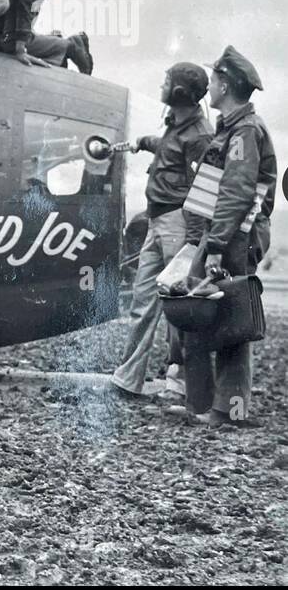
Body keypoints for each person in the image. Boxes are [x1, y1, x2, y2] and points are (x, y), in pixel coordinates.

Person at [177, 46, 276, 425]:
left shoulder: (245, 131)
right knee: (203, 314)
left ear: (227, 85)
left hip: (236, 236)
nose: (210, 87)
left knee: (233, 319)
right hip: (224, 234)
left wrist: (216, 245)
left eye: (215, 80)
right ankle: (201, 406)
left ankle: (228, 412)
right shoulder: (233, 128)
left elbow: (236, 192)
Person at [110, 63, 213, 397]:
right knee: (143, 301)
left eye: (167, 81)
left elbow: (202, 190)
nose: (162, 85)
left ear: (180, 92)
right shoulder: (177, 124)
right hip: (157, 222)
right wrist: (141, 142)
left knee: (177, 307)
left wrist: (193, 245)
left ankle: (180, 383)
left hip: (178, 224)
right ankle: (128, 380)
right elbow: (168, 147)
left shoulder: (200, 135)